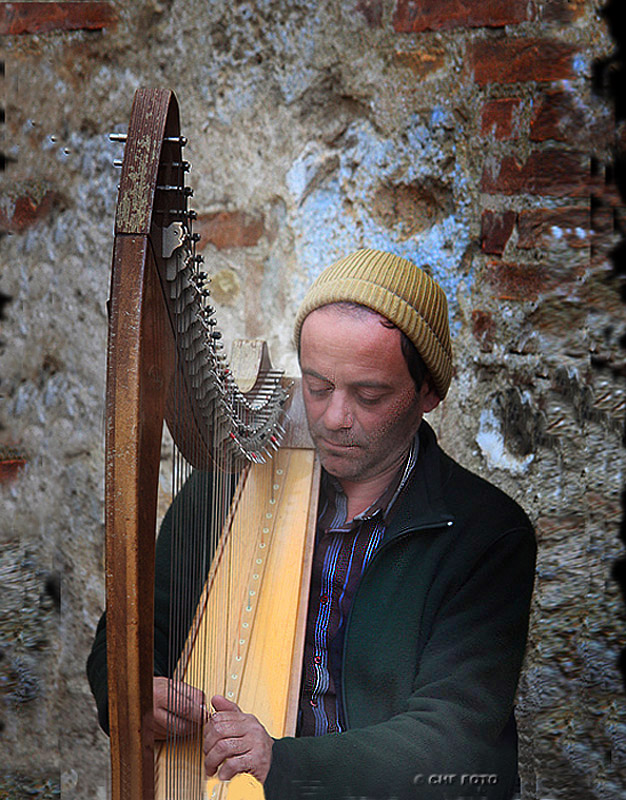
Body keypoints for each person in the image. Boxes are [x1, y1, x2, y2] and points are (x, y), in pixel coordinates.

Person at [88, 248, 536, 799]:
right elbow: (131, 628)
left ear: (429, 393)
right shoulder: (231, 483)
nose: (333, 418)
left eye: (368, 395)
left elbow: (453, 739)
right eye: (318, 386)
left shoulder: (486, 533)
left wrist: (285, 762)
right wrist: (130, 692)